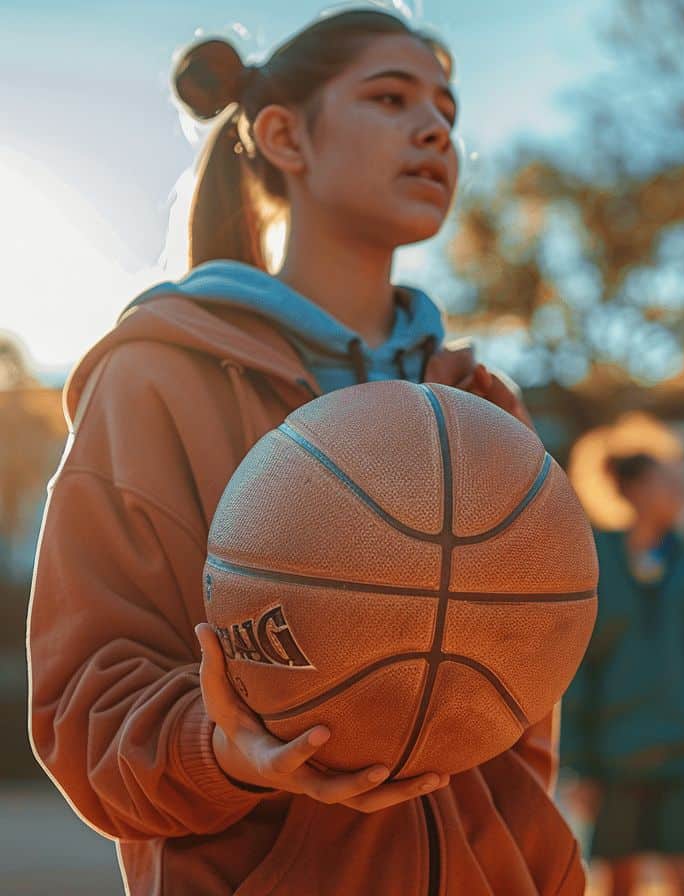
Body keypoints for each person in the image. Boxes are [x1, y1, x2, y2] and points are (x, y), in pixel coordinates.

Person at [26, 10, 575, 895]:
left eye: (446, 109)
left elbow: (526, 706)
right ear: (284, 134)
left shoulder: (483, 408)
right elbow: (86, 708)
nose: (436, 128)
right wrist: (224, 750)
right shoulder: (159, 376)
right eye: (390, 98)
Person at [561, 452, 684, 896]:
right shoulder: (593, 559)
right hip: (615, 754)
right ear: (632, 489)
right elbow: (579, 668)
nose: (683, 491)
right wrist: (579, 763)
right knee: (619, 880)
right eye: (667, 482)